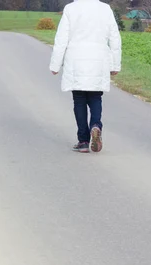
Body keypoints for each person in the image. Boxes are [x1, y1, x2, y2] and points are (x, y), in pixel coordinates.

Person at [49, 0, 122, 153]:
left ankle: (83, 141)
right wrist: (115, 64)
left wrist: (55, 64)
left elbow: (61, 38)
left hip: (76, 59)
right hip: (99, 59)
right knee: (95, 97)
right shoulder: (105, 9)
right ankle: (95, 125)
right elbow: (115, 38)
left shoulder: (70, 9)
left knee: (79, 99)